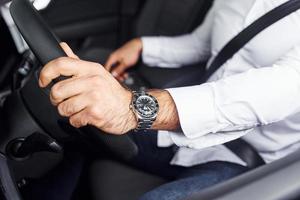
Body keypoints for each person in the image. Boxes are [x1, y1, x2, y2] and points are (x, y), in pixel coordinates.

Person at [39, 0, 300, 199]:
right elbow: (203, 44)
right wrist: (143, 46)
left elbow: (271, 93)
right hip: (189, 129)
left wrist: (131, 109)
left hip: (251, 159)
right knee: (75, 123)